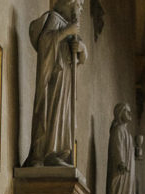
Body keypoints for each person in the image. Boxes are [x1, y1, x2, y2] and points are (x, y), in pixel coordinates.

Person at [25, 0, 87, 167]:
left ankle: (59, 152)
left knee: (64, 115)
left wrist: (81, 49)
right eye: (79, 5)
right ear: (69, 3)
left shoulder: (71, 27)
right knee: (53, 111)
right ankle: (48, 152)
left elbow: (81, 56)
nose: (80, 10)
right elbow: (44, 42)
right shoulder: (55, 18)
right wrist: (66, 31)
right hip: (54, 78)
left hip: (66, 79)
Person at [104, 102, 137, 194]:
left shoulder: (127, 134)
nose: (130, 114)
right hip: (120, 173)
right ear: (120, 113)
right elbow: (116, 149)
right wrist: (121, 162)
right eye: (127, 111)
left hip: (127, 176)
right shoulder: (118, 130)